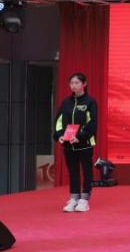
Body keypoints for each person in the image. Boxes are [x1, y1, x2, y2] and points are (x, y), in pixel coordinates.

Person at [53, 72, 98, 213]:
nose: (74, 85)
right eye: (71, 83)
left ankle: (84, 199)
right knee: (73, 171)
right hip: (68, 144)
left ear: (84, 84)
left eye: (77, 83)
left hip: (84, 144)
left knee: (86, 171)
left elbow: (92, 123)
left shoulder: (90, 102)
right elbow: (59, 121)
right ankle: (74, 197)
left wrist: (80, 137)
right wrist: (59, 136)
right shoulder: (66, 102)